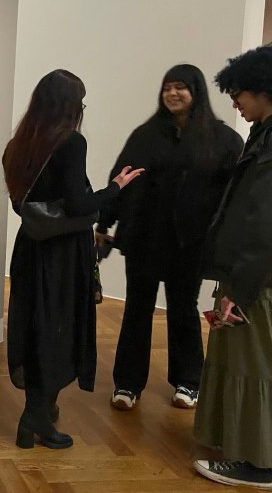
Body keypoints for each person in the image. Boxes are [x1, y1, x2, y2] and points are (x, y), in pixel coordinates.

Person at [2, 69, 143, 450]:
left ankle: (40, 410)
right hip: (62, 253)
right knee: (58, 328)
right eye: (80, 102)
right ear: (70, 105)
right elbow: (79, 205)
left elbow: (20, 204)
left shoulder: (18, 144)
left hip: (30, 248)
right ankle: (35, 414)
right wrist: (115, 188)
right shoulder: (71, 142)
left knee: (36, 324)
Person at [96, 64, 242, 412]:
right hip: (144, 239)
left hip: (190, 243)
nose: (172, 94)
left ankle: (188, 381)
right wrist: (104, 222)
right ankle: (128, 383)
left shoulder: (223, 139)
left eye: (180, 87)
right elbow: (121, 178)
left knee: (183, 310)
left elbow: (232, 196)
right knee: (137, 309)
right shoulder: (145, 135)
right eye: (167, 88)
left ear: (196, 92)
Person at [193, 45, 272, 488]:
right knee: (247, 362)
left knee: (255, 365)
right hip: (251, 275)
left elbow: (264, 226)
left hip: (258, 280)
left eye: (239, 92)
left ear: (264, 89)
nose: (235, 101)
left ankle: (261, 464)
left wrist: (238, 290)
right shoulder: (263, 134)